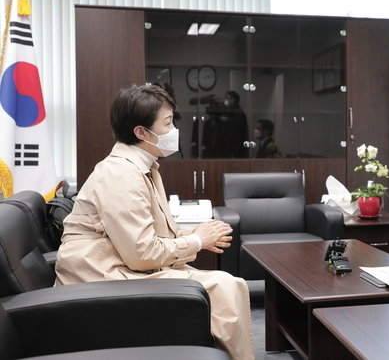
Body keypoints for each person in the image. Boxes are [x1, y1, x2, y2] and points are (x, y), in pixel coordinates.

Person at [54, 85, 254, 360]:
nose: (174, 131)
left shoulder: (143, 166)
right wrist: (197, 241)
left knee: (226, 284)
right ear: (141, 132)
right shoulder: (122, 175)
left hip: (120, 264)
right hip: (102, 275)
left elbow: (149, 231)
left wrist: (192, 233)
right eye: (168, 123)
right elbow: (141, 253)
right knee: (224, 286)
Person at [217, 90, 248, 158]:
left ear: (233, 99)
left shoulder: (238, 112)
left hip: (235, 148)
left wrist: (227, 120)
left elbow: (237, 128)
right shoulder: (230, 111)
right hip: (230, 147)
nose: (226, 101)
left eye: (227, 98)